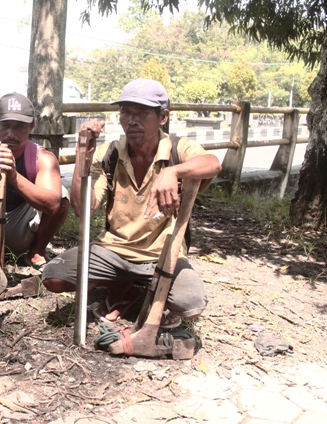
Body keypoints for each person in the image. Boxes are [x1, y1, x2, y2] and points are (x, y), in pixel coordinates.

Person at [42, 79, 221, 327]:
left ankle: (139, 286)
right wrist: (83, 154)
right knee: (54, 277)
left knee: (190, 303)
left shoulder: (178, 150)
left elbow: (213, 163)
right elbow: (83, 210)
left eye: (142, 113)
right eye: (126, 112)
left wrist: (173, 172)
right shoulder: (110, 153)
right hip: (113, 250)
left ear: (162, 117)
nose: (131, 120)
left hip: (160, 253)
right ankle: (123, 287)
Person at [0, 92, 68, 269]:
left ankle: (36, 252)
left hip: (19, 226)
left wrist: (13, 176)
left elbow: (52, 205)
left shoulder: (42, 158)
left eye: (20, 127)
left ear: (32, 126)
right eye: (5, 125)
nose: (10, 134)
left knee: (61, 196)